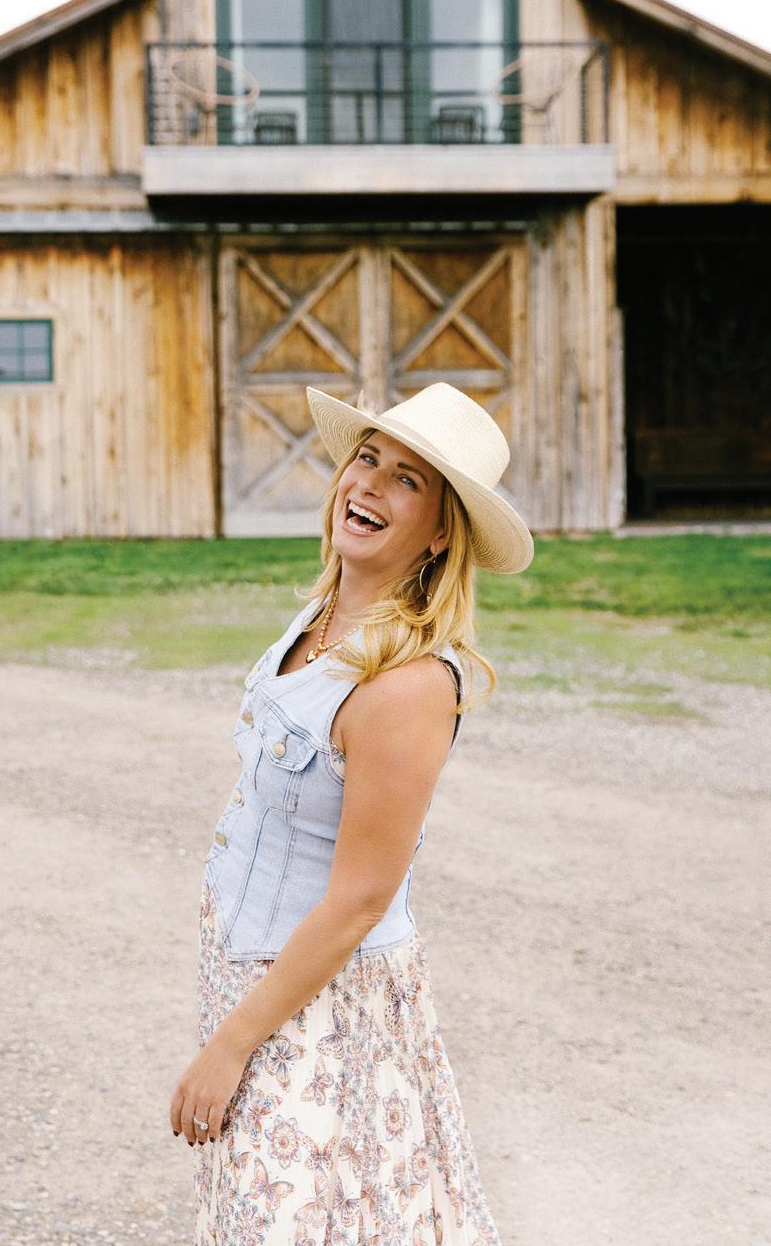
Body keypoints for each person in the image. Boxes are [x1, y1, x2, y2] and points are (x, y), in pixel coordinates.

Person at [169, 380, 534, 1244]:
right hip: (252, 967)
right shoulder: (321, 617)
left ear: (441, 531)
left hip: (329, 1000)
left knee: (303, 1218)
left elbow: (361, 899)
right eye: (367, 459)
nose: (368, 483)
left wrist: (230, 1045)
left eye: (407, 479)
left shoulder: (408, 684)